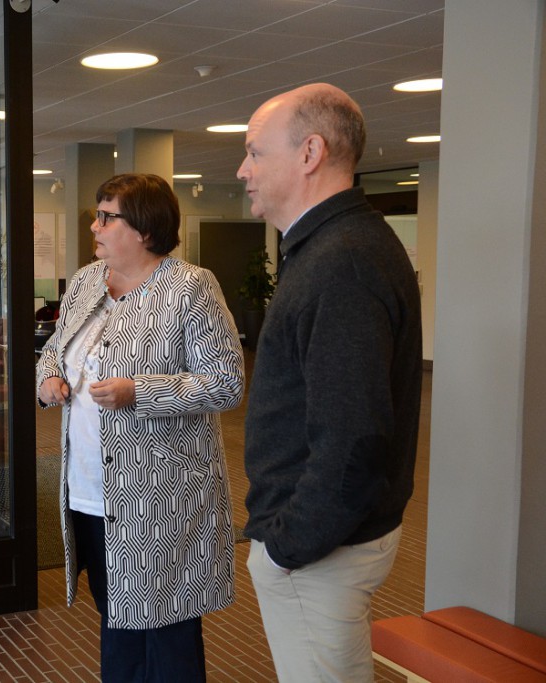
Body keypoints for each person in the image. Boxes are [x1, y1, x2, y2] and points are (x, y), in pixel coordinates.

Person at [237, 83, 423, 682]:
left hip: (319, 553)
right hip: (325, 543)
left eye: (255, 152)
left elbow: (352, 441)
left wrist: (285, 549)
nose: (243, 170)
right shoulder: (334, 246)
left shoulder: (341, 260)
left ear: (310, 153)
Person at [35, 173, 244, 682]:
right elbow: (51, 351)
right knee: (117, 621)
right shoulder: (87, 281)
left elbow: (227, 382)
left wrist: (140, 393)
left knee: (167, 633)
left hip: (160, 499)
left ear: (145, 230)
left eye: (108, 217)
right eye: (97, 213)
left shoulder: (189, 287)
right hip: (90, 489)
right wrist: (50, 380)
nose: (95, 224)